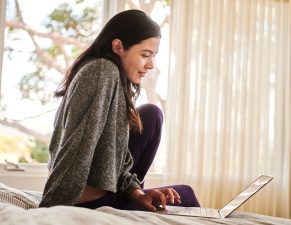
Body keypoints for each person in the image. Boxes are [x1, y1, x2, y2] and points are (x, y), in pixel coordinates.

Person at [39, 9, 200, 211]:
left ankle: (134, 197)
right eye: (145, 55)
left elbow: (112, 157)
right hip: (89, 203)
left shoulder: (109, 76)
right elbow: (78, 147)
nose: (150, 65)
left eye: (153, 56)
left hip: (108, 192)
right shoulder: (101, 72)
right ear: (118, 47)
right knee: (186, 194)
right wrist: (50, 209)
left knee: (151, 115)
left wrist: (138, 193)